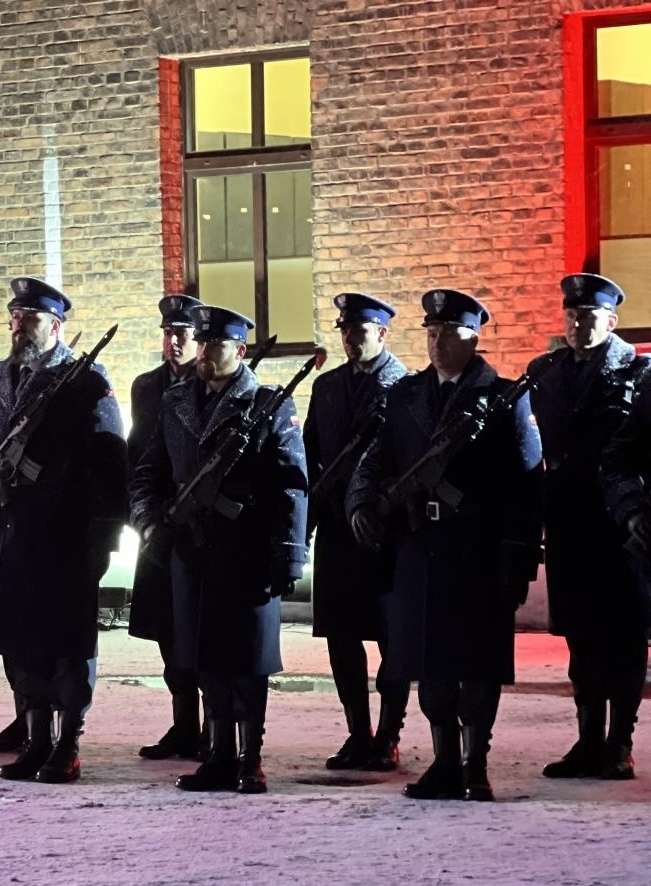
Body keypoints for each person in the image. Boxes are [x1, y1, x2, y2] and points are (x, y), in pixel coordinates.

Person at [348, 289, 543, 802]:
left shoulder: (503, 398)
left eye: (449, 333)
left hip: (478, 552)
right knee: (429, 663)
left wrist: (516, 557)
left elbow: (525, 485)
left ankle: (475, 764)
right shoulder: (406, 395)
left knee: (476, 665)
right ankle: (443, 761)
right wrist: (362, 504)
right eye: (431, 333)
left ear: (473, 337)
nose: (437, 343)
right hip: (420, 548)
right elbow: (377, 458)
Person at [0, 277, 127, 783]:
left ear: (55, 326)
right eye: (14, 317)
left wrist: (102, 537)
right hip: (9, 534)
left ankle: (67, 743)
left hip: (62, 537)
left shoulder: (85, 381)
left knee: (68, 646)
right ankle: (35, 740)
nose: (18, 327)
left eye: (29, 319)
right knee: (20, 642)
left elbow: (110, 465)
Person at [130, 305, 308, 794]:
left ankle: (250, 759)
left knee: (248, 663)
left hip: (247, 553)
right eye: (202, 344)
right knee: (205, 660)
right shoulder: (175, 400)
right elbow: (150, 470)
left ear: (240, 350)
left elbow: (292, 485)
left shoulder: (267, 404)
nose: (205, 353)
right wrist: (149, 518)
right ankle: (218, 754)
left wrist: (289, 553)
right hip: (193, 551)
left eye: (215, 345)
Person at [529, 274, 651, 780]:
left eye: (589, 316)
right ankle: (586, 740)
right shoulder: (545, 371)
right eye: (572, 316)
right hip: (568, 521)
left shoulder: (637, 373)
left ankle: (618, 742)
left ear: (612, 321)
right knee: (579, 635)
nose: (578, 324)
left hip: (618, 524)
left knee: (624, 637)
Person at [303, 293, 410, 770]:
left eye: (360, 331)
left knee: (392, 636)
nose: (351, 339)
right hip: (335, 529)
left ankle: (388, 734)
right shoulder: (327, 388)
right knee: (341, 638)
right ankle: (357, 732)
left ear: (382, 334)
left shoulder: (405, 386)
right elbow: (308, 457)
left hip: (381, 530)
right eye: (345, 330)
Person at [128, 293, 207, 760]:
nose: (173, 342)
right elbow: (137, 454)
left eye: (182, 334)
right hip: (155, 523)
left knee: (197, 628)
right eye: (168, 333)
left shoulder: (207, 385)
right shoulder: (145, 387)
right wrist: (140, 515)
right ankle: (183, 723)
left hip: (194, 525)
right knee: (164, 628)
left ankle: (207, 728)